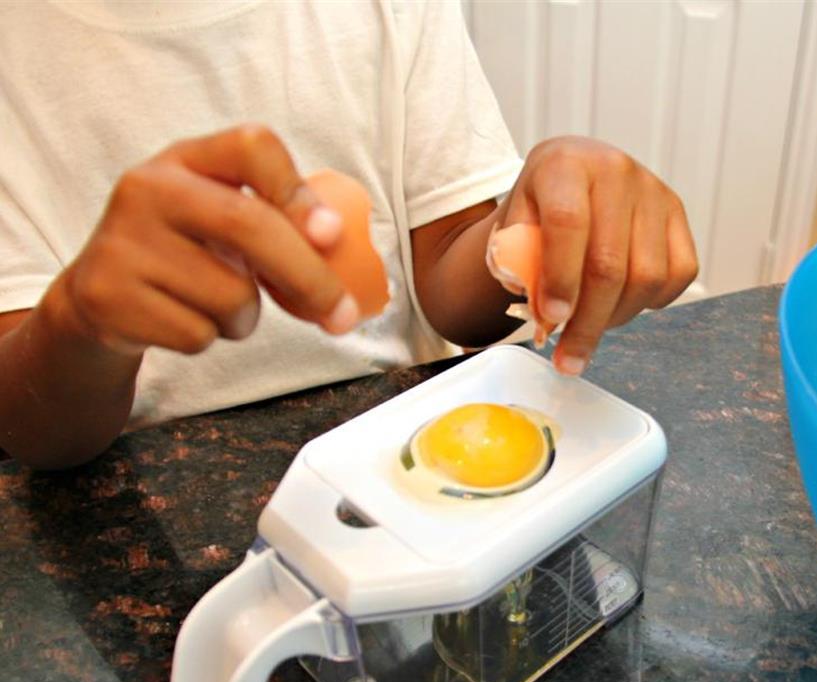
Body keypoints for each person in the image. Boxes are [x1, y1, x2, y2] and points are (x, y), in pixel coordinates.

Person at [0, 0, 697, 470]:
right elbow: (34, 428)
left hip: (402, 457)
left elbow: (451, 282)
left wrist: (531, 232)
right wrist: (85, 323)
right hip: (144, 485)